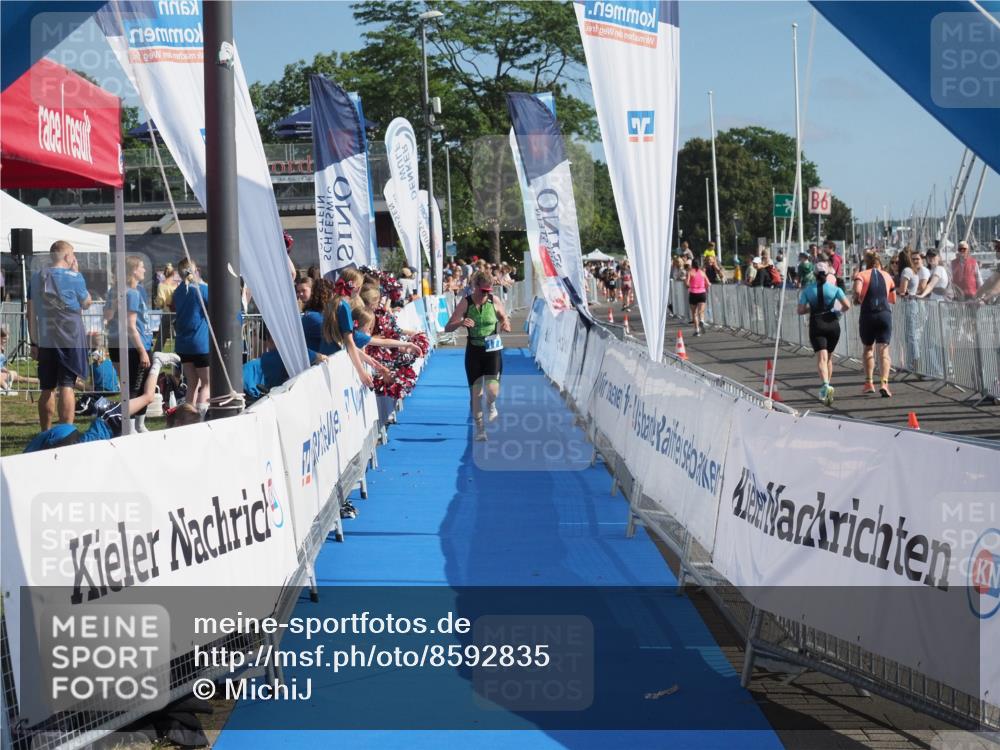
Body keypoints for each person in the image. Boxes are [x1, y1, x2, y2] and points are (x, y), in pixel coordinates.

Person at [23, 351, 186, 453]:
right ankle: (157, 362)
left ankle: (157, 362)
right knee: (147, 397)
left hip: (105, 421)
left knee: (148, 397)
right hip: (103, 420)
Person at [27, 240, 92, 430]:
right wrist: (78, 273)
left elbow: (30, 312)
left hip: (46, 337)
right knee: (67, 385)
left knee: (47, 387)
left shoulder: (36, 278)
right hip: (70, 338)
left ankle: (45, 432)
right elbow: (87, 302)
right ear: (66, 256)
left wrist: (33, 342)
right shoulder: (75, 277)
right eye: (73, 254)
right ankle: (65, 432)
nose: (74, 258)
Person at [444, 270, 512, 442]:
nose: (485, 294)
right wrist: (461, 322)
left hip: (492, 349)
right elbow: (448, 327)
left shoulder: (494, 301)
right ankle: (480, 429)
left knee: (492, 391)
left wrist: (505, 324)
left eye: (489, 291)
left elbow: (504, 317)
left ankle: (491, 403)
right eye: (483, 291)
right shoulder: (465, 303)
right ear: (475, 287)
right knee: (476, 393)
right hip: (474, 350)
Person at [107, 255, 157, 432]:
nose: (144, 270)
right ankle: (130, 426)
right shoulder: (131, 293)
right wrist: (142, 351)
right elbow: (130, 325)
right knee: (138, 388)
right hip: (133, 345)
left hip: (116, 342)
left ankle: (135, 425)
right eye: (142, 267)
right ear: (133, 271)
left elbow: (106, 317)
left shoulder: (116, 290)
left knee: (128, 387)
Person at [798, 262, 851, 406]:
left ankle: (826, 385)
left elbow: (800, 310)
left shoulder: (808, 290)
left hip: (817, 323)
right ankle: (827, 387)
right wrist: (836, 312)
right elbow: (847, 305)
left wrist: (812, 309)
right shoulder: (835, 289)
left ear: (814, 274)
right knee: (829, 358)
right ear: (828, 274)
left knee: (821, 358)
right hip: (833, 324)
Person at [243, 326, 327, 404]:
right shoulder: (280, 357)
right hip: (245, 391)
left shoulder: (273, 357)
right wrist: (319, 356)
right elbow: (304, 354)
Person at [171, 258, 211, 418]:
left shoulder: (178, 292)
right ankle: (201, 417)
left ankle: (187, 418)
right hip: (200, 343)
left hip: (183, 344)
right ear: (195, 270)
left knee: (192, 383)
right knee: (207, 383)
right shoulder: (202, 290)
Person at [853, 252, 897, 397]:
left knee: (868, 349)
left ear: (867, 263)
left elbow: (858, 292)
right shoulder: (887, 276)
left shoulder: (861, 275)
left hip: (868, 314)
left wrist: (857, 299)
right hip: (884, 314)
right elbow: (893, 299)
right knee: (884, 350)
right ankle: (884, 383)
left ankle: (869, 383)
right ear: (879, 264)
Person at [0, 326, 40, 392]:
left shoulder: (2, 348)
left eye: (6, 339)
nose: (5, 341)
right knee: (15, 376)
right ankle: (7, 389)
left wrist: (6, 370)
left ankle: (42, 381)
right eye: (4, 339)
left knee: (18, 376)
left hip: (1, 372)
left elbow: (1, 365)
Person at [686, 259, 711, 336]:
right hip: (702, 293)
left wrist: (690, 286)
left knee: (694, 313)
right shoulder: (702, 273)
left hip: (693, 293)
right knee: (701, 311)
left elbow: (687, 283)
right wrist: (705, 287)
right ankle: (702, 320)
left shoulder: (690, 272)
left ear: (692, 265)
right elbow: (708, 283)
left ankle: (697, 330)